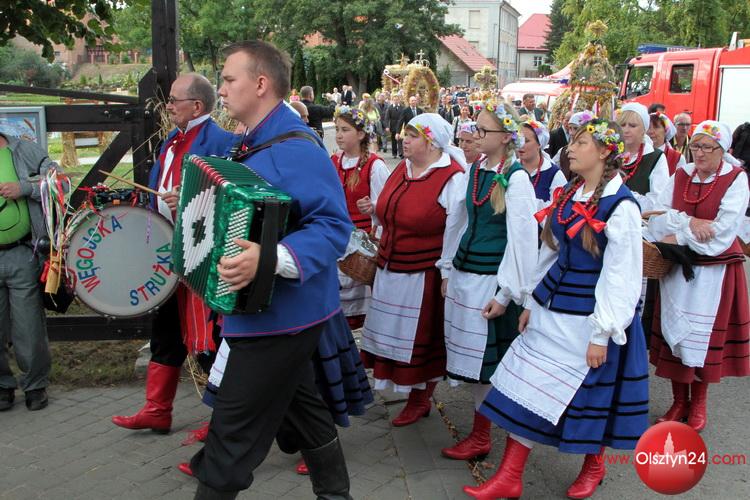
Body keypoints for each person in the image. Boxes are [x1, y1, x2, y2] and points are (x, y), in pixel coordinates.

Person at [187, 40, 353, 499]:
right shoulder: (254, 139)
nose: (221, 89)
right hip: (274, 314)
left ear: (260, 84)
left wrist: (269, 258)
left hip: (280, 317)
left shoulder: (295, 146)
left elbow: (333, 226)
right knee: (304, 407)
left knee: (230, 435)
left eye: (228, 79)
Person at [464, 119, 648, 500]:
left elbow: (622, 276)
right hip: (553, 311)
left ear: (604, 151)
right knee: (526, 389)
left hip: (590, 319)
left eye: (581, 143)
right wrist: (533, 301)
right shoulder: (568, 194)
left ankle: (593, 466)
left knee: (591, 399)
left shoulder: (621, 206)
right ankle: (509, 476)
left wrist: (602, 334)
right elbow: (550, 251)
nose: (571, 149)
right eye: (573, 142)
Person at [112, 73, 236, 438]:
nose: (167, 106)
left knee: (210, 338)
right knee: (165, 332)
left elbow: (233, 200)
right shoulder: (171, 140)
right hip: (169, 253)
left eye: (173, 100)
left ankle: (225, 420)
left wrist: (188, 201)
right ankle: (157, 410)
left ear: (196, 106)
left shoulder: (222, 142)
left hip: (203, 255)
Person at [442, 103, 538, 461]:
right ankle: (481, 433)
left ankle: (488, 436)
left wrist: (507, 293)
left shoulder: (516, 177)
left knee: (490, 364)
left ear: (505, 136)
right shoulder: (475, 170)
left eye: (482, 130)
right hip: (467, 275)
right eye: (474, 129)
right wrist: (447, 268)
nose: (474, 135)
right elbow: (457, 221)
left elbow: (523, 240)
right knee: (474, 362)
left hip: (493, 281)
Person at [360, 114, 467, 427]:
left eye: (412, 135)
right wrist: (375, 210)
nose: (404, 139)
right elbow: (391, 208)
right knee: (392, 334)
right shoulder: (402, 168)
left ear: (432, 142)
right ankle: (406, 393)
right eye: (405, 133)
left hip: (422, 273)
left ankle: (420, 399)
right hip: (390, 266)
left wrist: (447, 273)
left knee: (419, 340)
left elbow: (456, 231)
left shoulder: (451, 177)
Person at [648, 120, 749, 433]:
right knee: (675, 334)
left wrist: (679, 234)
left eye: (708, 147)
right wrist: (690, 223)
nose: (700, 152)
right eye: (696, 146)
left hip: (714, 273)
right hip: (678, 269)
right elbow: (658, 217)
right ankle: (679, 401)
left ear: (722, 150)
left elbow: (723, 232)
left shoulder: (736, 178)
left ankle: (699, 403)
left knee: (702, 339)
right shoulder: (682, 174)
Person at [0, 132, 62, 412]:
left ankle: (35, 385)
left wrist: (24, 188)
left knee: (28, 326)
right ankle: (2, 386)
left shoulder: (24, 150)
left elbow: (60, 182)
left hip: (22, 253)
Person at [332, 105, 390, 329]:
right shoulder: (333, 161)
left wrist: (372, 207)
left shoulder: (375, 166)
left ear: (361, 134)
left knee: (358, 306)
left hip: (361, 246)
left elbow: (385, 208)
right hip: (335, 238)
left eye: (345, 130)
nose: (338, 135)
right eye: (337, 129)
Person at [617, 102, 670, 212]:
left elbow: (658, 201)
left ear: (644, 129)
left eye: (632, 126)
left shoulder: (655, 157)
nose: (626, 130)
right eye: (622, 125)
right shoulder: (610, 153)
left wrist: (623, 196)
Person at [518, 119, 567, 209]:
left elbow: (559, 209)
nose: (521, 144)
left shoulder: (553, 174)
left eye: (526, 141)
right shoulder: (509, 168)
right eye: (519, 140)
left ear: (539, 144)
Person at [552, 110, 595, 179]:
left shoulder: (592, 152)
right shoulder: (563, 151)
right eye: (570, 128)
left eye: (575, 128)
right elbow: (552, 167)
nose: (571, 133)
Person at [385, 94, 404, 158]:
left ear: (399, 100)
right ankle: (394, 153)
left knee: (400, 139)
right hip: (393, 125)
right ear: (392, 100)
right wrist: (387, 126)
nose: (396, 101)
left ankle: (401, 153)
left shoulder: (402, 107)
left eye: (397, 100)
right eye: (394, 100)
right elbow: (387, 118)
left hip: (400, 125)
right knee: (394, 140)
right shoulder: (390, 108)